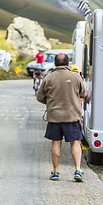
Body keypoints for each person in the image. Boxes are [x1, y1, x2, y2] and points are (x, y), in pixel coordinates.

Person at [36, 53, 86, 182]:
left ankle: (56, 172)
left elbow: (40, 97)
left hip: (54, 117)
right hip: (72, 116)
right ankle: (78, 170)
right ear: (68, 63)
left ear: (55, 64)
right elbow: (83, 93)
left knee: (56, 142)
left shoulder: (49, 78)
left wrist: (51, 102)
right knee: (75, 142)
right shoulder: (76, 77)